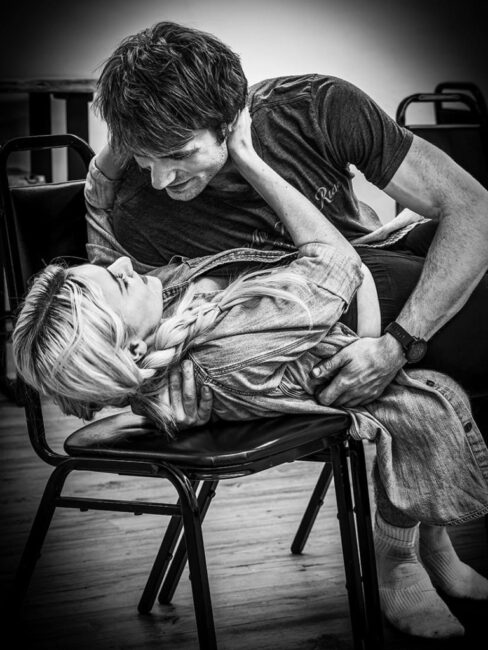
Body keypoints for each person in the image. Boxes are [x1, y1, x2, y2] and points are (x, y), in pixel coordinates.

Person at [13, 110, 488, 639]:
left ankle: (430, 545)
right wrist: (250, 159)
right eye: (118, 282)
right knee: (433, 395)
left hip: (337, 297)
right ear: (134, 345)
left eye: (110, 269)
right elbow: (337, 265)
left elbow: (100, 217)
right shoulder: (224, 353)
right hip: (352, 327)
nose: (125, 267)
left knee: (465, 231)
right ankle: (398, 554)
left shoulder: (146, 316)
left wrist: (118, 148)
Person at [85, 21, 488, 428]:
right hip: (333, 327)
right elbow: (134, 347)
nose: (160, 180)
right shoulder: (139, 210)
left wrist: (398, 345)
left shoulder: (315, 108)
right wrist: (169, 399)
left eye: (178, 155)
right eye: (143, 159)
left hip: (381, 257)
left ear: (227, 123)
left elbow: (472, 207)